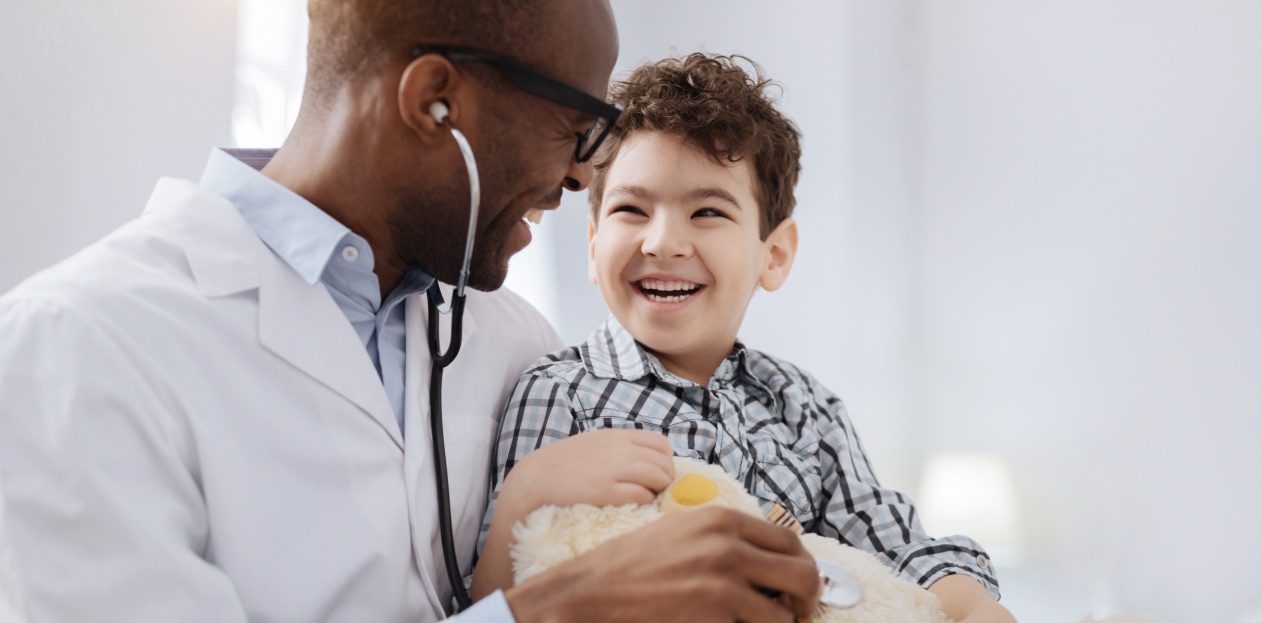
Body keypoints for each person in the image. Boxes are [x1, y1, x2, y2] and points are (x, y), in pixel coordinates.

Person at [0, 2, 823, 622]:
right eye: (576, 128)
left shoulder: (517, 346)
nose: (579, 179)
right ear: (435, 101)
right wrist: (545, 611)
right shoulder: (77, 344)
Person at [474, 53, 1019, 623]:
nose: (663, 242)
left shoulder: (805, 406)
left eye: (707, 211)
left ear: (774, 255)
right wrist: (523, 497)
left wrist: (974, 605)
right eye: (632, 208)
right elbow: (499, 602)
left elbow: (900, 552)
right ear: (592, 245)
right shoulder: (560, 394)